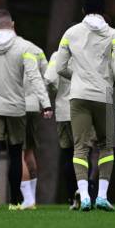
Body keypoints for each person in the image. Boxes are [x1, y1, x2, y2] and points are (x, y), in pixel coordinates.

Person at [56, 0, 115, 212]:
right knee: (106, 145)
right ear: (104, 11)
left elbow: (60, 67)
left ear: (83, 10)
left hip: (78, 95)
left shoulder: (71, 32)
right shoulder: (114, 33)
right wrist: (111, 78)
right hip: (103, 95)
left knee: (80, 147)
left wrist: (77, 77)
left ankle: (85, 196)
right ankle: (102, 196)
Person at [0, 9, 52, 210]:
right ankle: (16, 199)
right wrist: (46, 103)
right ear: (13, 25)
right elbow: (35, 77)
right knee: (16, 153)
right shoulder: (24, 47)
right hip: (16, 108)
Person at [45, 51, 79, 210]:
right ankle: (86, 193)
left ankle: (72, 197)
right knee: (84, 153)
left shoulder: (57, 55)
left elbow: (50, 79)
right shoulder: (87, 53)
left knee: (68, 155)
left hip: (64, 111)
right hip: (83, 110)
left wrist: (55, 94)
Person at [21, 43, 48, 209]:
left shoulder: (10, 49)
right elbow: (47, 77)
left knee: (18, 153)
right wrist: (43, 102)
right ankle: (32, 197)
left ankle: (27, 199)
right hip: (33, 106)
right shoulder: (38, 51)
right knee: (29, 152)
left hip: (16, 106)